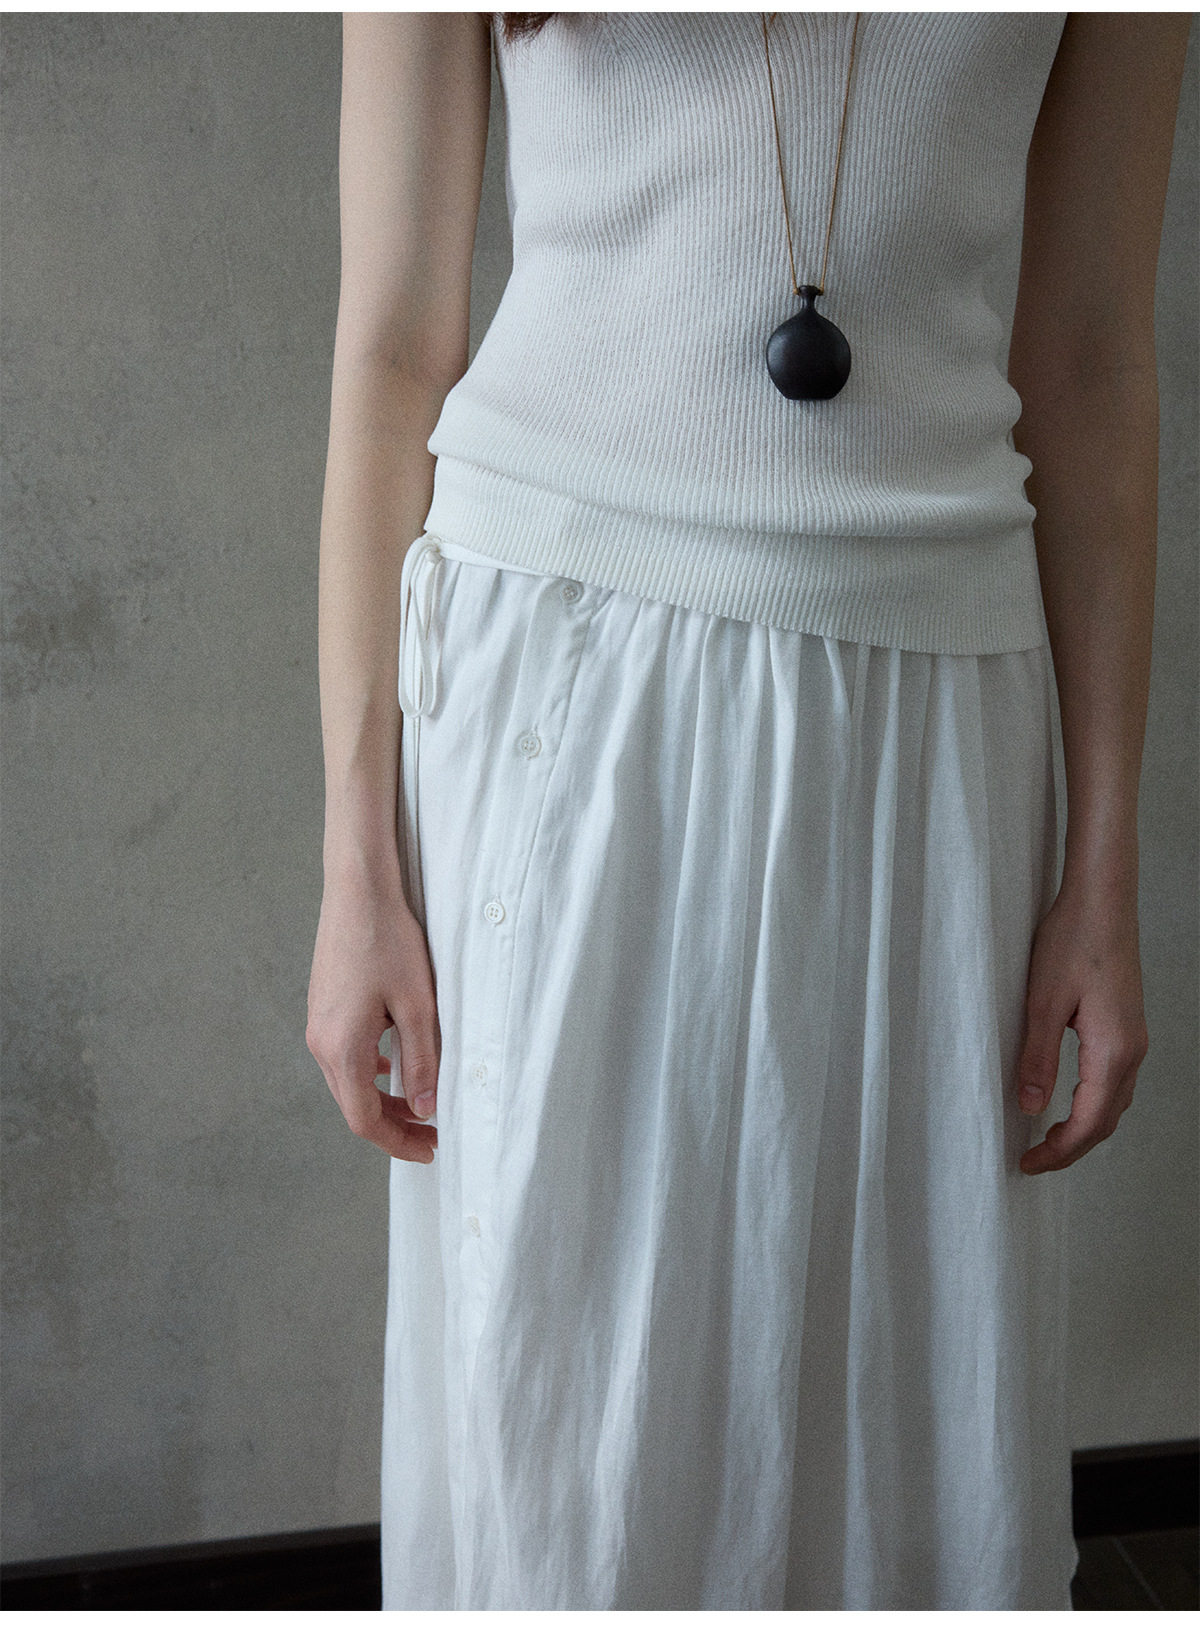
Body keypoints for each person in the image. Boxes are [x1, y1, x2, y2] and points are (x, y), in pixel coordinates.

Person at [306, 10, 1190, 1610]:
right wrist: (356, 860)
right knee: (577, 1403)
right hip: (564, 683)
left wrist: (1105, 865)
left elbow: (1091, 362)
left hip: (935, 720)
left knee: (899, 1391)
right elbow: (391, 349)